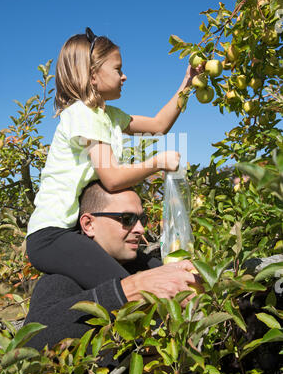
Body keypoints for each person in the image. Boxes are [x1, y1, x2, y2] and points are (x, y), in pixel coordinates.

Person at [26, 27, 202, 288]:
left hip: (78, 231)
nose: (124, 76)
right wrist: (157, 163)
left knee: (153, 267)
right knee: (129, 287)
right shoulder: (83, 114)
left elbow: (157, 125)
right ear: (93, 75)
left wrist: (188, 83)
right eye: (118, 70)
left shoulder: (109, 116)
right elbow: (112, 179)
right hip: (51, 235)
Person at [24, 181, 199, 356]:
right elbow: (31, 343)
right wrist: (132, 290)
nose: (140, 229)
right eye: (127, 219)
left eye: (142, 219)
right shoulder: (62, 280)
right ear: (88, 224)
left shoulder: (144, 267)